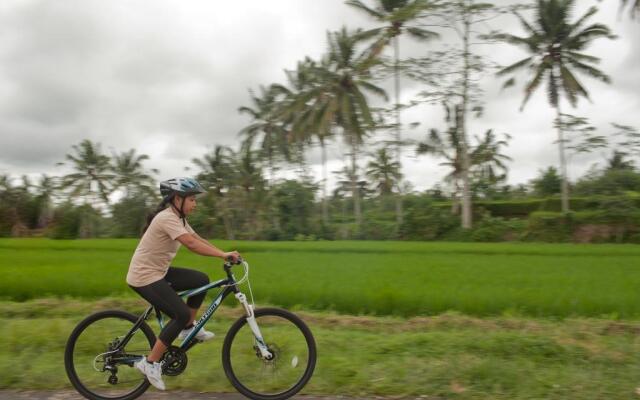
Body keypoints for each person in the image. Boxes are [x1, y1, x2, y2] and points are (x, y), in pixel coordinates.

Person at [126, 177, 240, 390]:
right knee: (180, 314)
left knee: (201, 280)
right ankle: (150, 363)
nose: (195, 203)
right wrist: (222, 255)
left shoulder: (179, 219)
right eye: (192, 199)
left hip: (159, 272)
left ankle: (188, 329)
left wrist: (223, 254)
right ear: (177, 198)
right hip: (144, 276)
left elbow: (197, 239)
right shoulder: (166, 218)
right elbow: (190, 245)